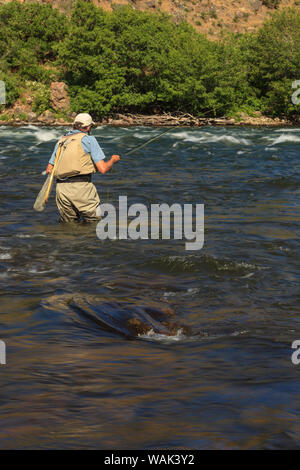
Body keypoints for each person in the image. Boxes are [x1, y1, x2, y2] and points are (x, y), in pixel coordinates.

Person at [46, 113, 120, 223]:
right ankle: (88, 240)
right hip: (81, 189)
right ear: (89, 127)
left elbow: (49, 169)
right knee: (95, 222)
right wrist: (113, 160)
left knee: (69, 224)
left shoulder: (61, 141)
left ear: (74, 125)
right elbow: (103, 169)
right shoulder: (89, 139)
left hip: (61, 190)